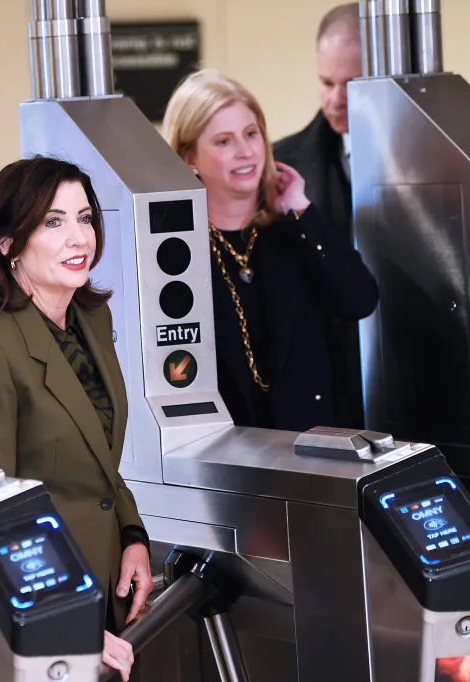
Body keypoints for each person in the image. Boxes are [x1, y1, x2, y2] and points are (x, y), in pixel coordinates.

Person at [0, 156, 153, 680]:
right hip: (46, 606)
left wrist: (132, 536)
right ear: (7, 243)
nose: (78, 238)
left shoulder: (91, 319)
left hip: (106, 585)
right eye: (53, 222)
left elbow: (98, 457)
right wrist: (71, 625)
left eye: (84, 218)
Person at [162, 69, 378, 432]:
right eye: (224, 141)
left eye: (251, 134)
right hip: (224, 457)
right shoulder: (174, 252)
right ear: (189, 159)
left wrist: (301, 210)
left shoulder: (293, 230)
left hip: (308, 449)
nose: (246, 151)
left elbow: (360, 299)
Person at [273, 2, 367, 428]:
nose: (336, 100)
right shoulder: (283, 165)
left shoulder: (439, 160)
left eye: (351, 83)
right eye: (326, 82)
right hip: (331, 397)